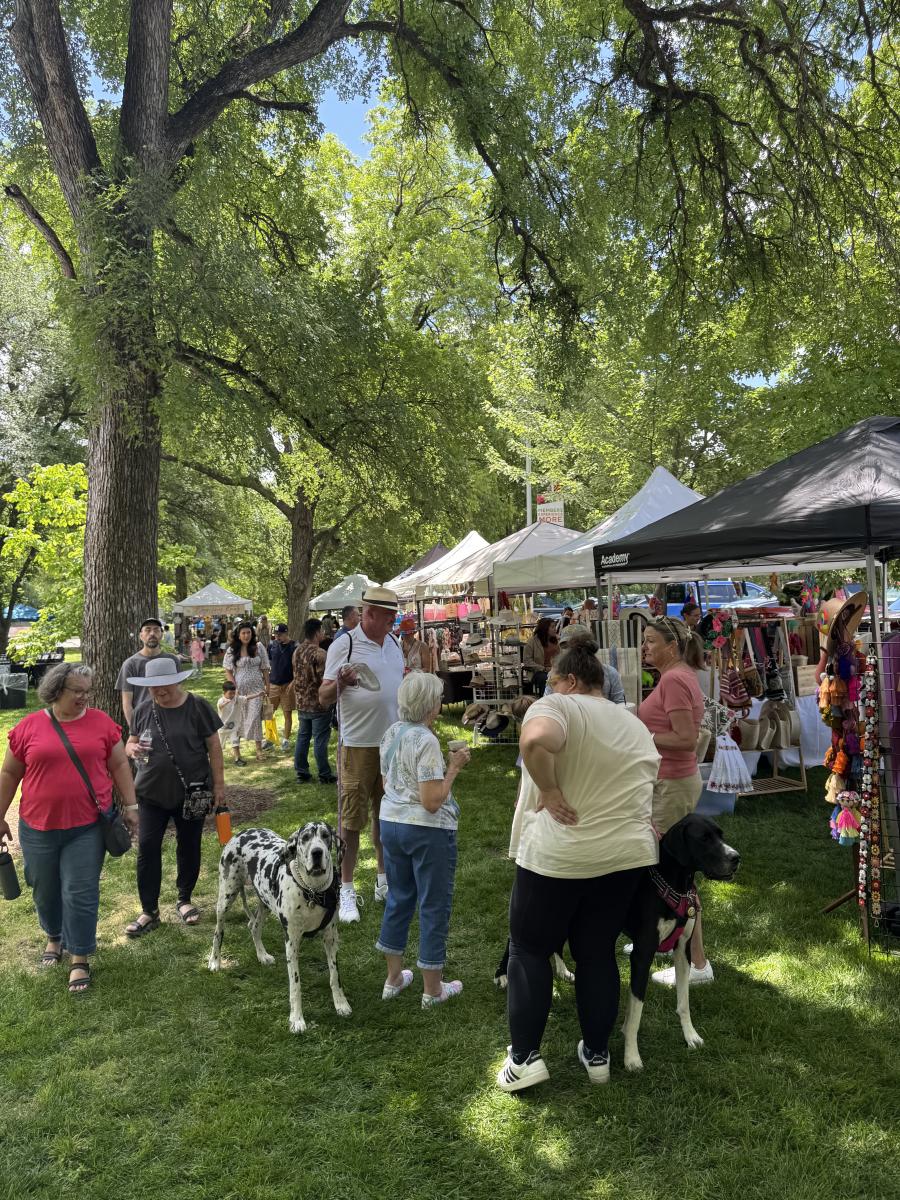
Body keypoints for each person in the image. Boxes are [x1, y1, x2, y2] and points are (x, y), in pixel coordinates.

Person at [497, 639, 659, 1092]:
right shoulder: (633, 723)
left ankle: (524, 1057)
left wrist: (548, 790)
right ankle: (597, 1053)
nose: (549, 687)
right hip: (625, 855)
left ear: (568, 681)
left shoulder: (559, 705)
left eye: (552, 681)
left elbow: (534, 740)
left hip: (561, 853)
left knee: (528, 948)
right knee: (596, 952)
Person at [0, 664, 138, 994]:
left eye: (87, 690)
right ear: (56, 690)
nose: (84, 696)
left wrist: (131, 806)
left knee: (80, 890)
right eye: (77, 690)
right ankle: (54, 937)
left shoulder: (102, 723)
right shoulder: (28, 727)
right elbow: (9, 774)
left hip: (87, 827)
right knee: (44, 887)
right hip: (37, 827)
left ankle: (79, 956)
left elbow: (119, 764)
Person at [377, 671, 471, 1007]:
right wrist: (454, 767)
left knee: (399, 898)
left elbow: (388, 783)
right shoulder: (427, 741)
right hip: (426, 830)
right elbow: (433, 801)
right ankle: (433, 989)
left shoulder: (390, 733)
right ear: (428, 705)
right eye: (438, 698)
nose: (441, 703)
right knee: (433, 904)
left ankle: (393, 978)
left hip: (390, 823)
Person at [320, 586, 404, 923]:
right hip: (356, 745)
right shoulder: (345, 644)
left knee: (389, 816)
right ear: (369, 613)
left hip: (393, 743)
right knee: (351, 821)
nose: (393, 622)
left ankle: (383, 881)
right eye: (388, 616)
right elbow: (323, 696)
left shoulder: (394, 643)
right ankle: (347, 890)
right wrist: (340, 682)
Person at [123, 658, 224, 934]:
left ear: (177, 681)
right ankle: (149, 911)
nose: (159, 692)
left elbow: (214, 746)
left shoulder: (197, 706)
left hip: (192, 793)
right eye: (153, 687)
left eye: (163, 685)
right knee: (147, 848)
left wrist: (219, 787)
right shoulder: (143, 709)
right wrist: (132, 751)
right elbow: (130, 743)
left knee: (189, 845)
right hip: (150, 794)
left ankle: (184, 898)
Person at [639, 617, 711, 986]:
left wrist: (640, 732)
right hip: (669, 782)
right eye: (644, 640)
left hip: (674, 784)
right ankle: (666, 938)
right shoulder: (676, 677)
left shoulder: (674, 679)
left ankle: (697, 962)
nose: (645, 647)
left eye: (651, 641)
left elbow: (685, 738)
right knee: (666, 870)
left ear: (672, 645)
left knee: (678, 874)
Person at [292, 618, 336, 785]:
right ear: (317, 633)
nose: (323, 634)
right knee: (320, 739)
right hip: (318, 704)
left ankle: (301, 772)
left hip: (302, 702)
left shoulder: (296, 651)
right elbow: (325, 680)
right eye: (322, 631)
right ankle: (324, 773)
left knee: (303, 737)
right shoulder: (320, 654)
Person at [116, 617, 180, 731]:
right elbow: (127, 703)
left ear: (161, 635)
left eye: (156, 630)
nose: (152, 633)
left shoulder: (172, 661)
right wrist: (135, 731)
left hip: (171, 719)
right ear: (141, 635)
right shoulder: (130, 664)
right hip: (144, 723)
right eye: (148, 630)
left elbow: (179, 692)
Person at [222, 621, 271, 764]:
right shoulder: (232, 650)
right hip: (240, 690)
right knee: (238, 718)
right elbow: (228, 670)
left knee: (255, 717)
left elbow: (265, 668)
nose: (246, 635)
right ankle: (237, 752)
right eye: (243, 633)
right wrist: (233, 688)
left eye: (248, 632)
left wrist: (267, 685)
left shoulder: (259, 647)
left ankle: (258, 750)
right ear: (238, 634)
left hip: (257, 688)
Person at [557, 623, 626, 703]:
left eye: (579, 647)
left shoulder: (609, 673)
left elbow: (620, 704)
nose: (573, 652)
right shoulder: (557, 675)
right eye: (566, 647)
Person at [268, 623, 298, 751]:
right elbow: (269, 662)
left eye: (279, 635)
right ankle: (270, 738)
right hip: (273, 683)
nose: (277, 637)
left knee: (287, 714)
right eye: (275, 634)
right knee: (268, 712)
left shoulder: (294, 646)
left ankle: (285, 740)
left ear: (286, 633)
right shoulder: (272, 645)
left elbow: (298, 667)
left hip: (287, 685)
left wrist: (293, 682)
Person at [523, 617, 559, 695]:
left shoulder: (556, 641)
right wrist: (544, 669)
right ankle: (545, 700)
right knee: (545, 678)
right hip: (538, 671)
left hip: (555, 670)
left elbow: (561, 657)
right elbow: (527, 661)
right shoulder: (532, 642)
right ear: (545, 628)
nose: (555, 629)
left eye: (555, 626)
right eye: (552, 627)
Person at [217, 681, 238, 750]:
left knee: (235, 743)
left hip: (232, 727)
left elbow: (245, 698)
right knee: (220, 746)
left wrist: (258, 695)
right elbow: (220, 706)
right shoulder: (221, 700)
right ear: (224, 692)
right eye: (230, 693)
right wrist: (224, 703)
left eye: (233, 693)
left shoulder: (235, 699)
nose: (232, 695)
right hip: (222, 727)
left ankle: (237, 759)